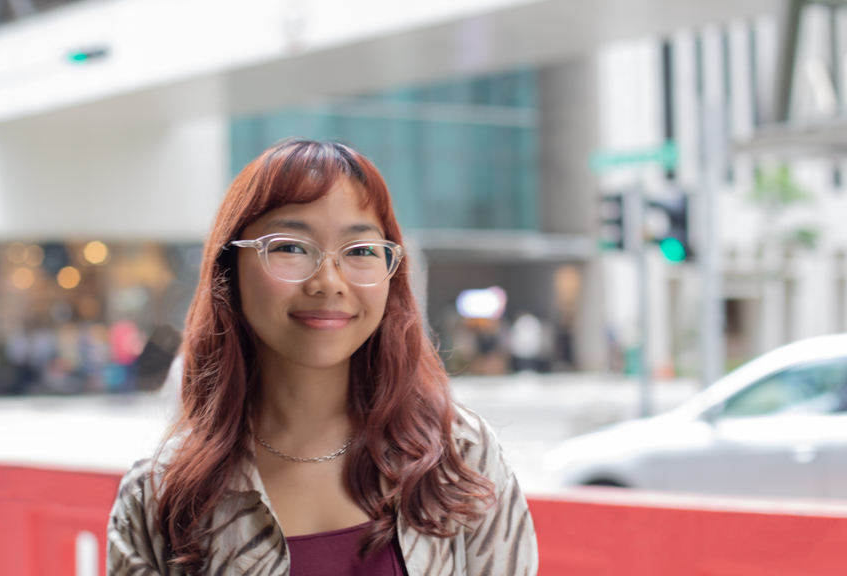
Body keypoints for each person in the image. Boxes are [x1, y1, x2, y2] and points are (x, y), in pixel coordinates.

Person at [107, 140, 538, 575]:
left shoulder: (458, 456)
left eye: (361, 251)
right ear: (229, 269)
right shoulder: (159, 495)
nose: (328, 282)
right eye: (291, 247)